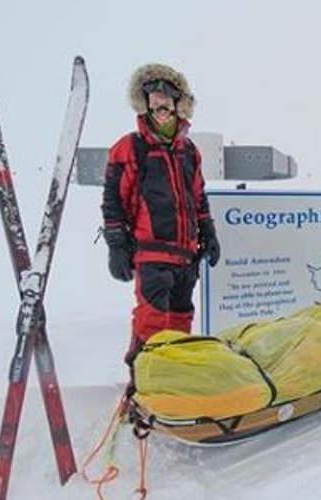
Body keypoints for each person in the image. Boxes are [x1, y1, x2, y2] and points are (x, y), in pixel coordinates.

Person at [101, 63, 220, 365]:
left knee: (181, 321)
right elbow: (113, 200)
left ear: (179, 104)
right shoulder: (129, 148)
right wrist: (116, 244)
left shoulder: (189, 152)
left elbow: (198, 198)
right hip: (152, 254)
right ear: (144, 104)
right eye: (152, 98)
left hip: (186, 254)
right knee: (152, 323)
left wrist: (209, 234)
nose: (159, 103)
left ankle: (175, 381)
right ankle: (141, 383)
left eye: (166, 97)